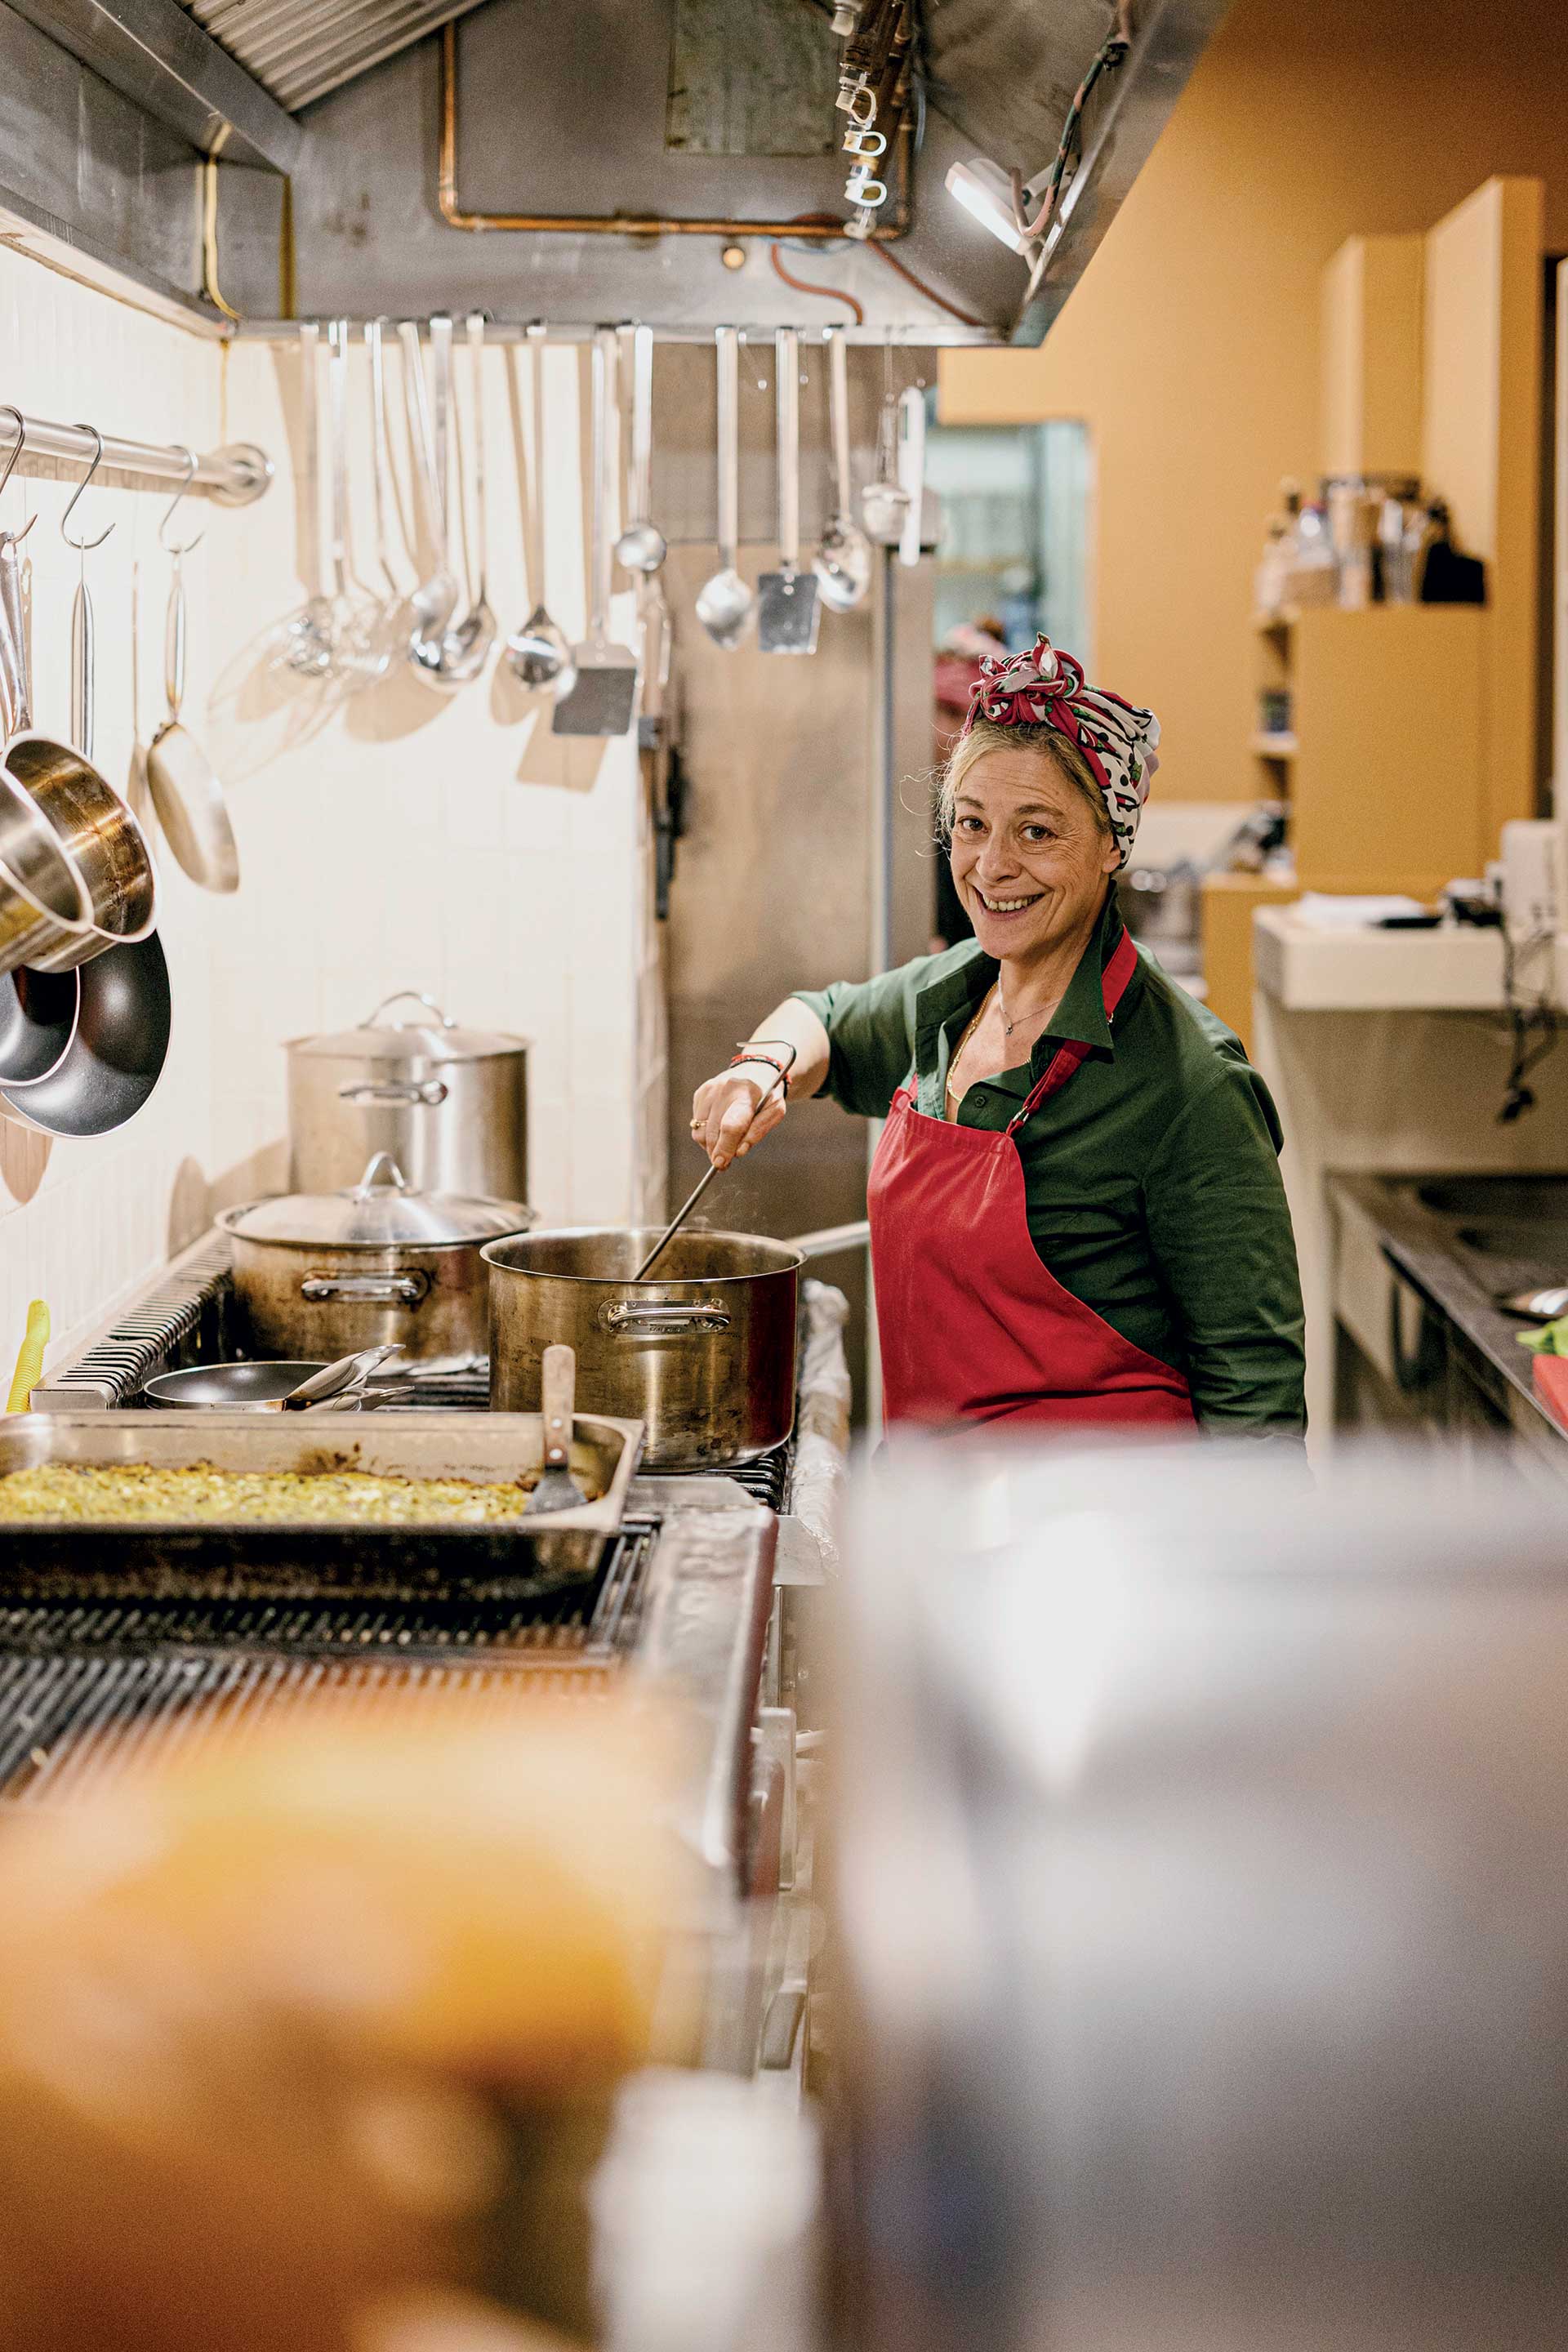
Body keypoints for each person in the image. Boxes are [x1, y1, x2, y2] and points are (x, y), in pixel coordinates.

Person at [691, 636, 1306, 1436]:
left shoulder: (1191, 1081)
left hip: (1108, 1535)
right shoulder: (956, 992)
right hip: (949, 1517)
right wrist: (761, 1070)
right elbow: (829, 1018)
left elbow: (1255, 1396)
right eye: (973, 824)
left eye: (1038, 833)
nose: (991, 865)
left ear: (1113, 844)